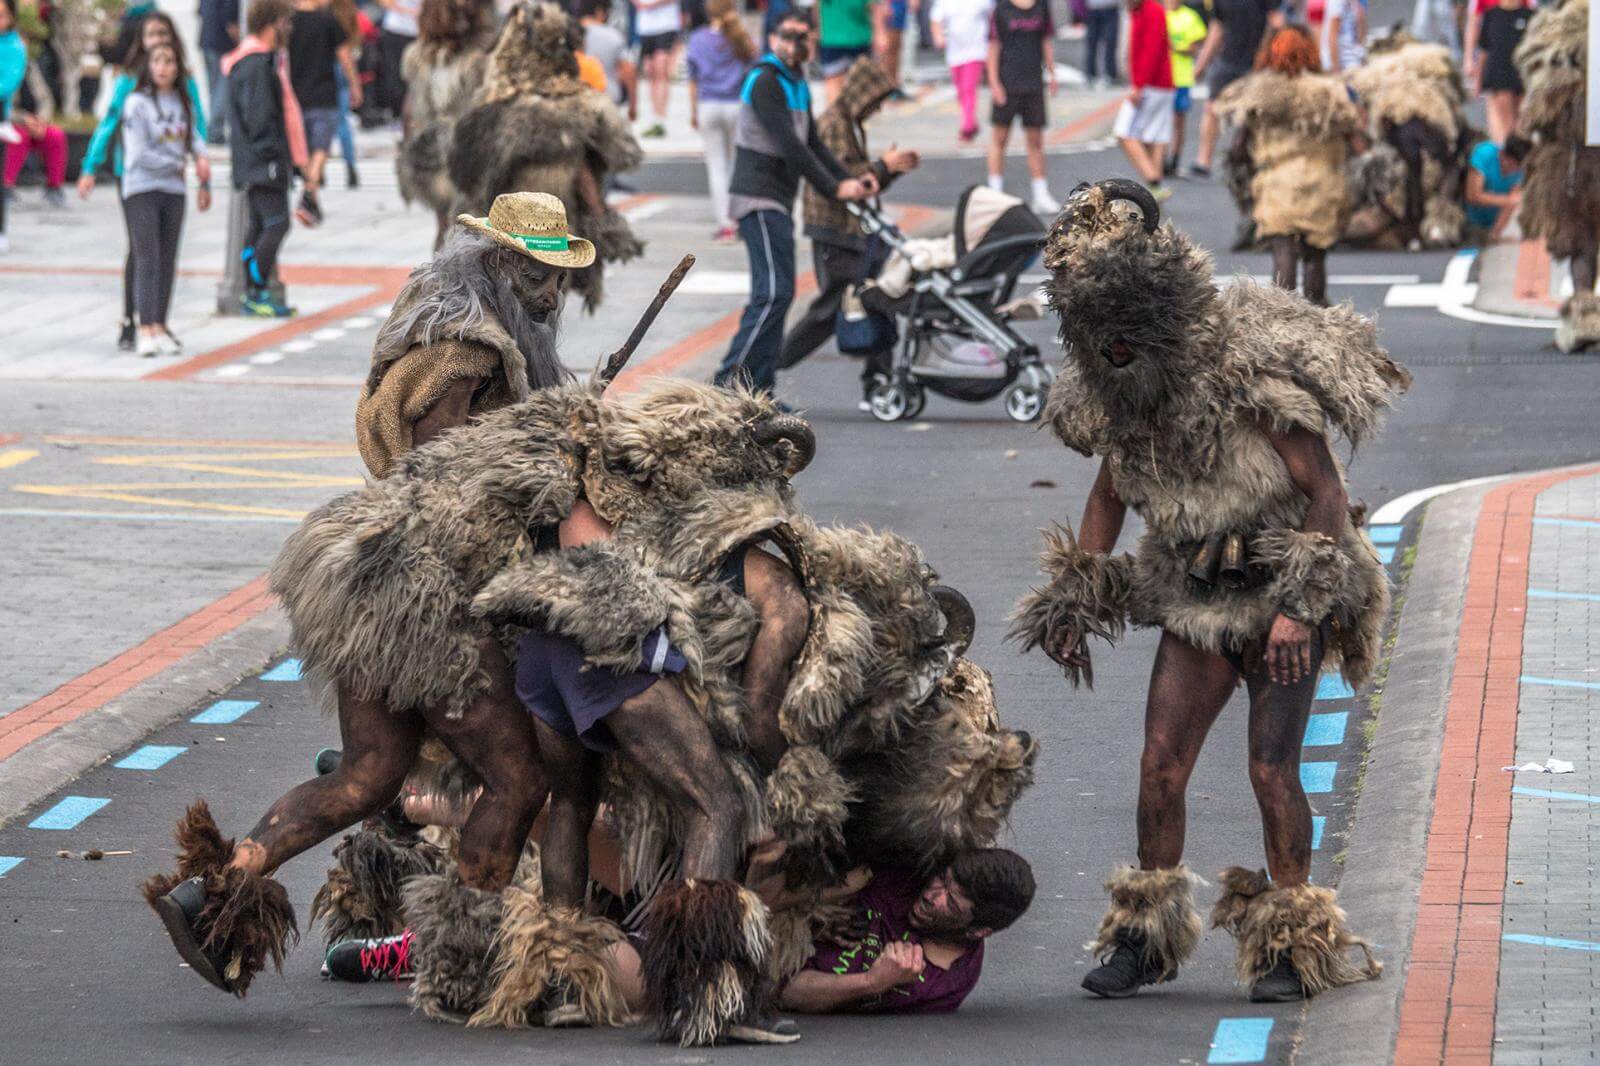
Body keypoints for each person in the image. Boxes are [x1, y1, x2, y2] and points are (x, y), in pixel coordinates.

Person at [144, 193, 586, 999]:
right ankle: (462, 959)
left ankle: (215, 892)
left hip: (384, 574)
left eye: (558, 276)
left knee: (367, 776)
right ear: (504, 266)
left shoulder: (441, 332)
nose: (553, 294)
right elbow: (443, 476)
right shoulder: (470, 351)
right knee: (518, 778)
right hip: (420, 591)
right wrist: (545, 464)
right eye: (542, 275)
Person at [1012, 177, 1403, 1004]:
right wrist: (1077, 594)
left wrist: (1302, 607)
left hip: (1283, 589)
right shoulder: (1119, 399)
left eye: (1129, 336)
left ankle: (1295, 941)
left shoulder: (1247, 381)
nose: (1116, 352)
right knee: (1161, 768)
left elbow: (1327, 494)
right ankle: (1146, 939)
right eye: (1102, 339)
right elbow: (1110, 495)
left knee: (1270, 772)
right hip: (1197, 596)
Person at [712, 8, 874, 398]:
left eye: (802, 37)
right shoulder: (765, 80)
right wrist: (835, 189)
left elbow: (814, 143)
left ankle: (759, 391)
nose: (793, 44)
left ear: (813, 41)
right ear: (772, 40)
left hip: (777, 201)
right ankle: (727, 384)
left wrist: (849, 180)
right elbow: (791, 148)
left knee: (779, 295)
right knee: (772, 294)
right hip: (758, 198)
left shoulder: (797, 82)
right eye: (786, 36)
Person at [446, 0, 644, 312]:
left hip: (499, 232)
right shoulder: (580, 105)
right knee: (544, 309)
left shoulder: (487, 110)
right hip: (552, 232)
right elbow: (617, 158)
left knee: (499, 307)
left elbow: (465, 175)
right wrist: (599, 215)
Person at [778, 57, 918, 402]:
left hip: (851, 229)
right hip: (834, 231)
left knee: (875, 298)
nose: (878, 107)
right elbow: (844, 178)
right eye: (875, 100)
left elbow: (862, 182)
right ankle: (767, 365)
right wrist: (885, 166)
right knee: (830, 309)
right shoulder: (835, 125)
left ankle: (878, 381)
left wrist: (888, 170)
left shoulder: (850, 123)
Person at [80, 12, 209, 351]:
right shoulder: (128, 82)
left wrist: (201, 162)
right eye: (150, 35)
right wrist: (91, 166)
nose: (156, 41)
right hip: (133, 174)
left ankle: (157, 323)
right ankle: (133, 319)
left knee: (160, 252)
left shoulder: (183, 85)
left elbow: (196, 125)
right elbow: (109, 122)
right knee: (141, 250)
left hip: (172, 180)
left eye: (162, 34)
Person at [778, 851, 1034, 1013]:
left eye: (952, 903)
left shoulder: (940, 985)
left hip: (764, 962)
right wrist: (824, 903)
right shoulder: (905, 876)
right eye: (942, 879)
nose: (932, 896)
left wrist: (871, 983)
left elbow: (787, 992)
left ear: (978, 931)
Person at [1214, 25, 1362, 305]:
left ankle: (1282, 317)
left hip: (1277, 185)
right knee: (1315, 256)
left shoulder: (1260, 92)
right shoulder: (1328, 91)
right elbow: (1356, 138)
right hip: (1322, 183)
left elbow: (1237, 150)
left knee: (1283, 253)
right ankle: (1318, 318)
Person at [113, 42, 213, 357]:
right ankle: (144, 328)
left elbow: (193, 135)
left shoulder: (182, 102)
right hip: (142, 187)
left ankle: (159, 325)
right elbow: (138, 153)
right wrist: (178, 162)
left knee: (168, 259)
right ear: (148, 65)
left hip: (174, 190)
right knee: (147, 257)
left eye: (169, 61)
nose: (163, 67)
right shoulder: (137, 104)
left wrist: (201, 157)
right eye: (157, 61)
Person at [1513, 0, 1599, 352]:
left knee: (1580, 241)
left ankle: (1583, 314)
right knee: (1582, 239)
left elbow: (1535, 119)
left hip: (1570, 168)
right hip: (1577, 163)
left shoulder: (1555, 71)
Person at [223, 0, 308, 317]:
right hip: (262, 163)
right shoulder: (257, 65)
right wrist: (273, 155)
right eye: (286, 20)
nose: (289, 27)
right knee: (275, 224)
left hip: (255, 161)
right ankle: (255, 292)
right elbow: (259, 117)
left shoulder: (255, 61)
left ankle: (253, 291)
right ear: (273, 22)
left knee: (259, 226)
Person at [395, 0, 494, 247]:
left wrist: (408, 149)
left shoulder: (416, 56)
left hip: (431, 149)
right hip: (466, 149)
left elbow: (410, 109)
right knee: (472, 222)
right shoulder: (478, 60)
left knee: (444, 223)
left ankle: (444, 276)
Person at [1188, 0, 1283, 177]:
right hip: (1227, 61)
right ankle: (1203, 161)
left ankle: (1259, 159)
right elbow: (1217, 29)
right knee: (1212, 109)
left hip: (1256, 63)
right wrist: (1201, 64)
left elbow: (1276, 22)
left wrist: (1267, 56)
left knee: (1257, 114)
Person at [686, 0, 755, 239]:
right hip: (736, 104)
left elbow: (693, 79)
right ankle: (741, 218)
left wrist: (693, 111)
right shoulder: (740, 36)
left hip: (709, 104)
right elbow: (753, 69)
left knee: (717, 166)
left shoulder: (697, 39)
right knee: (738, 165)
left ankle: (725, 223)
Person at [289, 0, 362, 226]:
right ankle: (309, 194)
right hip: (323, 93)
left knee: (308, 150)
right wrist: (355, 84)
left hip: (295, 95)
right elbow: (344, 55)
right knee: (321, 148)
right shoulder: (328, 20)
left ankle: (312, 200)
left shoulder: (288, 22)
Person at [986, 0, 1059, 214]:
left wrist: (1052, 72)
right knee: (1000, 138)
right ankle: (995, 191)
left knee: (1035, 139)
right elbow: (993, 45)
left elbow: (1045, 39)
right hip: (1007, 81)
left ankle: (1040, 192)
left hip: (1033, 81)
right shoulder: (1001, 7)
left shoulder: (1042, 6)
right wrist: (993, 82)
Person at [1, 2, 66, 211]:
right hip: (13, 121)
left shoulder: (30, 68)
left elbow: (46, 99)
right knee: (16, 136)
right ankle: (6, 186)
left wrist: (41, 120)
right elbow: (6, 102)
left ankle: (54, 187)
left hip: (34, 123)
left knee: (55, 136)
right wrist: (23, 119)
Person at [1115, 0, 1176, 198]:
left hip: (1151, 84)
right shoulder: (1144, 10)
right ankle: (1155, 190)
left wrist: (1139, 85)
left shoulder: (1151, 11)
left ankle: (1153, 180)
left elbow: (1151, 50)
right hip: (1159, 83)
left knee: (1124, 132)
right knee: (1153, 136)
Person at [928, 0, 993, 143]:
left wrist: (992, 45)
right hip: (955, 53)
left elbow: (993, 15)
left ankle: (967, 126)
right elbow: (935, 19)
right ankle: (970, 120)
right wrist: (938, 36)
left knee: (968, 88)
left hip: (976, 50)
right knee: (961, 91)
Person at [1471, 0, 1530, 143]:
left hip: (1522, 77)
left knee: (1522, 126)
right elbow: (1484, 50)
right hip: (1498, 76)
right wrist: (1478, 80)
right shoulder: (1491, 15)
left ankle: (1519, 159)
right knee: (1503, 128)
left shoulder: (1530, 15)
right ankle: (1504, 157)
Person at [1164, 0, 1206, 173]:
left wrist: (1177, 48)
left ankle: (1174, 157)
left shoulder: (1190, 17)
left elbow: (1196, 46)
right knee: (1161, 121)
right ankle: (1160, 158)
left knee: (1178, 121)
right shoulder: (1160, 15)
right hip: (1162, 79)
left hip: (1181, 77)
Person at [1464, 132, 1527, 240]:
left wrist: (1496, 233)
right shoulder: (1484, 154)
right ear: (1502, 154)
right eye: (1511, 166)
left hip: (1490, 222)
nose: (1512, 171)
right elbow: (1472, 195)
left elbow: (1512, 202)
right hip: (1467, 217)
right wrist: (1507, 200)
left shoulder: (1520, 170)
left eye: (1517, 168)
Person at [580, 0, 636, 120]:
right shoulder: (614, 36)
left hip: (576, 98)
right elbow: (629, 71)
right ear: (600, 12)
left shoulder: (569, 34)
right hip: (607, 98)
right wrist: (633, 107)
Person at [634, 0, 681, 135]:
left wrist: (653, 4)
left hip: (666, 24)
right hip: (645, 26)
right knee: (650, 72)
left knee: (661, 69)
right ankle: (654, 113)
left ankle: (661, 115)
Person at [198, 0, 239, 146]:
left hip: (207, 38)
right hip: (222, 42)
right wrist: (238, 39)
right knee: (221, 88)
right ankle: (215, 130)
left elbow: (200, 11)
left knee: (214, 88)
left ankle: (216, 129)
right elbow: (230, 14)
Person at [819, 0, 874, 102]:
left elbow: (874, 6)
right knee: (834, 82)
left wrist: (880, 32)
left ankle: (852, 115)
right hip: (833, 39)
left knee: (861, 84)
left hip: (859, 38)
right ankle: (837, 116)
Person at [377, 0, 421, 122]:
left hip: (418, 33)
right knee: (396, 75)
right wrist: (408, 11)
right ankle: (398, 114)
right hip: (396, 30)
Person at [1318, 0, 1365, 72]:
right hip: (1344, 62)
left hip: (1352, 58)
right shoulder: (1337, 2)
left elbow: (1359, 29)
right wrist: (1336, 66)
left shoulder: (1353, 3)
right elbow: (1332, 35)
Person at [1083, 0, 1120, 86]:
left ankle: (1110, 74)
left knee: (1110, 41)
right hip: (1092, 8)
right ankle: (1090, 74)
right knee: (1091, 42)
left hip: (1111, 7)